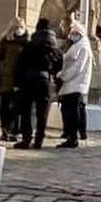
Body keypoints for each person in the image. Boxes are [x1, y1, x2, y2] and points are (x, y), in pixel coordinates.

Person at [14, 18, 63, 150]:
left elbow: (20, 64)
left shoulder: (30, 45)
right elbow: (60, 65)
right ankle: (39, 140)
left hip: (28, 81)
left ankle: (26, 139)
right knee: (42, 113)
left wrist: (17, 82)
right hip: (44, 82)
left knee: (26, 111)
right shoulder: (54, 48)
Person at [0, 17, 29, 142]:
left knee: (17, 107)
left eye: (21, 27)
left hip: (21, 81)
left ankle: (15, 131)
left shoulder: (28, 42)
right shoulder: (6, 41)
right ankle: (5, 130)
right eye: (17, 27)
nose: (19, 29)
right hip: (6, 79)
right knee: (5, 106)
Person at [55, 22, 93, 149]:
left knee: (72, 111)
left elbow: (77, 67)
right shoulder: (77, 45)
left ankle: (73, 136)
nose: (72, 35)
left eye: (75, 33)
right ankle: (72, 135)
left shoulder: (82, 47)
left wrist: (63, 76)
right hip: (72, 83)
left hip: (75, 83)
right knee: (70, 110)